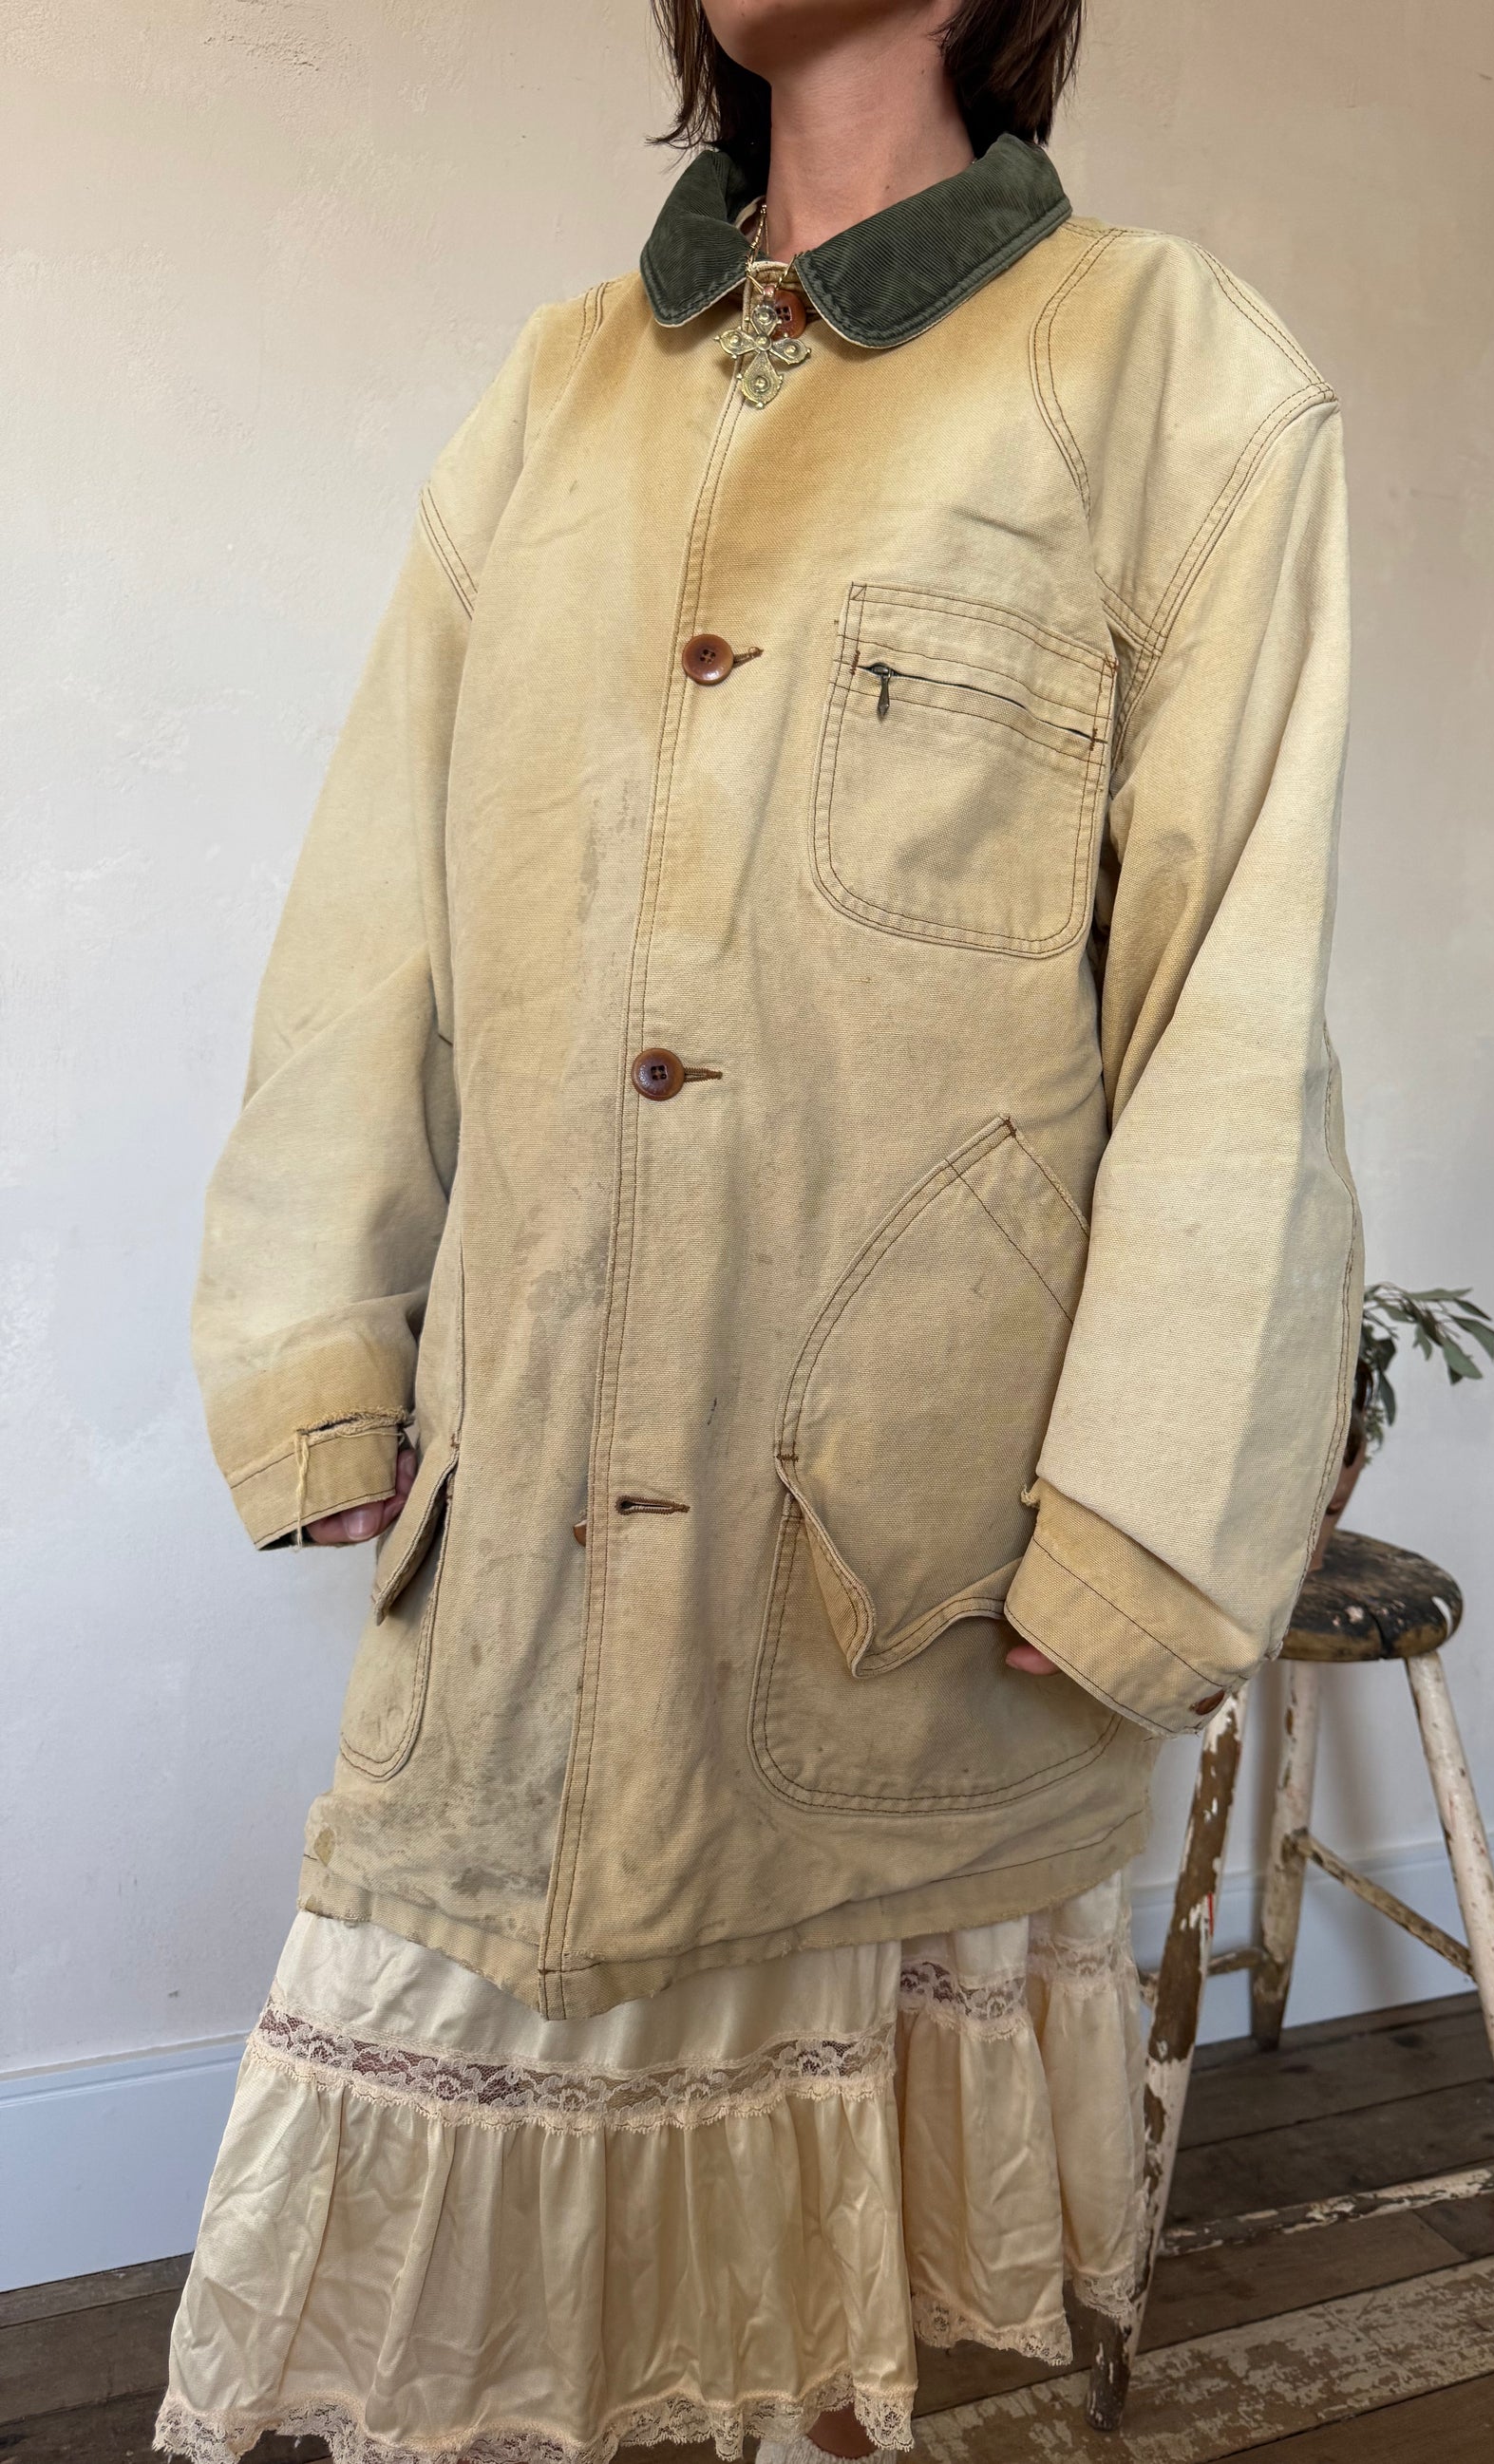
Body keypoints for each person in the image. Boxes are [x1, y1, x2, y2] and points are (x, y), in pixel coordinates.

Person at [158, 0, 1362, 2456]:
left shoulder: (1167, 375)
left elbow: (1231, 1000)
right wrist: (314, 1347)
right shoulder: (553, 394)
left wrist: (1139, 1532)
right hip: (529, 1548)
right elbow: (374, 906)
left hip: (901, 1573)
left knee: (839, 2359)